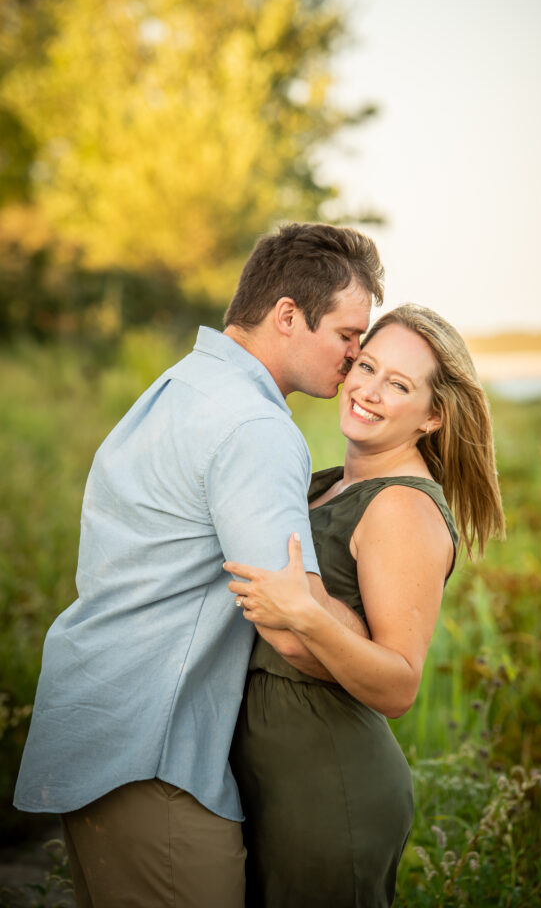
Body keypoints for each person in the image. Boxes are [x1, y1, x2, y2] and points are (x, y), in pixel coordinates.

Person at [13, 222, 384, 908]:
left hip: (101, 726)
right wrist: (383, 649)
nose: (357, 356)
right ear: (287, 316)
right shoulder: (255, 427)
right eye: (347, 335)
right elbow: (293, 628)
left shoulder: (180, 387)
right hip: (156, 755)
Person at [226, 303, 506, 908]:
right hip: (267, 777)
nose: (370, 391)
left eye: (399, 384)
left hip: (329, 788)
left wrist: (305, 615)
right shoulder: (330, 482)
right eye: (368, 366)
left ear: (433, 416)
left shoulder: (402, 508)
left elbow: (399, 685)